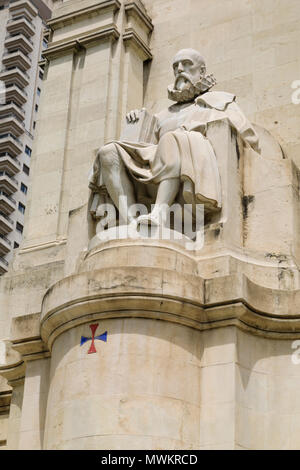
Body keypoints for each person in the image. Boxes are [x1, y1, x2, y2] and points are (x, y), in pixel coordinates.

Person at [89, 48, 260, 228]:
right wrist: (136, 123)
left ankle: (160, 214)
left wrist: (193, 131)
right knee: (108, 151)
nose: (179, 69)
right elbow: (143, 149)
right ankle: (131, 221)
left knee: (172, 139)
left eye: (186, 64)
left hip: (192, 167)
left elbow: (248, 137)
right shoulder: (163, 115)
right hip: (157, 168)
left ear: (202, 71)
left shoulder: (219, 101)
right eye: (175, 66)